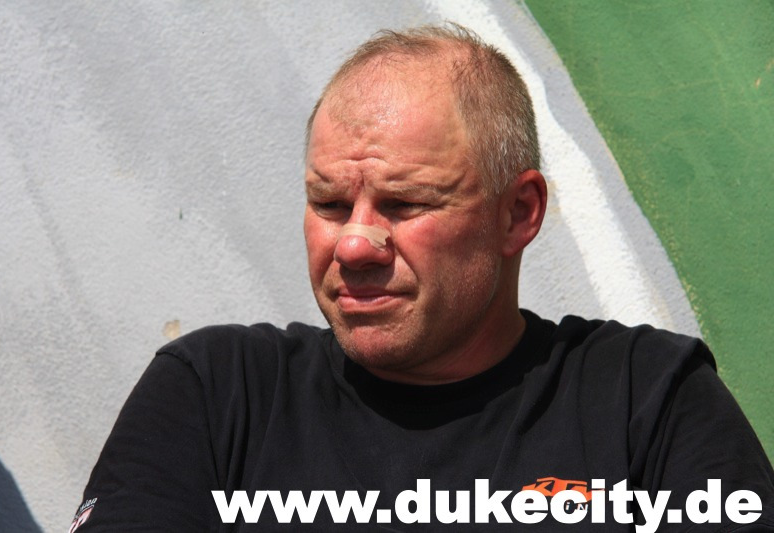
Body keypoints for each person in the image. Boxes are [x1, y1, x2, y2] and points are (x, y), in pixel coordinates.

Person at [71, 24, 774, 531]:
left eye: (405, 204)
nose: (355, 243)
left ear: (518, 213)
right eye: (329, 203)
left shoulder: (645, 399)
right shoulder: (217, 392)